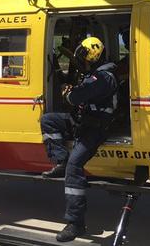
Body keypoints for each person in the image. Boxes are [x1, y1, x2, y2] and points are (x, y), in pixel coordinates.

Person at [40, 36, 118, 242]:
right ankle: (60, 160)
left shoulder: (103, 78)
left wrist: (69, 93)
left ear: (91, 58)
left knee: (74, 167)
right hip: (82, 121)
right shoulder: (94, 75)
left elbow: (75, 97)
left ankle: (76, 223)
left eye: (82, 59)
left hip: (95, 128)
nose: (80, 63)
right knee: (48, 120)